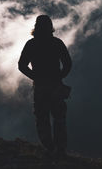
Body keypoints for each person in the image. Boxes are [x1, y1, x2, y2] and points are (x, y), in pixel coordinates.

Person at [18, 15, 72, 159]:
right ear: (50, 27)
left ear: (36, 27)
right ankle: (60, 151)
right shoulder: (57, 43)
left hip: (41, 87)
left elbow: (22, 66)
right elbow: (67, 64)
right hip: (55, 86)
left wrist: (35, 77)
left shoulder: (32, 44)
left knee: (42, 118)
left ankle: (50, 148)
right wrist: (59, 77)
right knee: (58, 119)